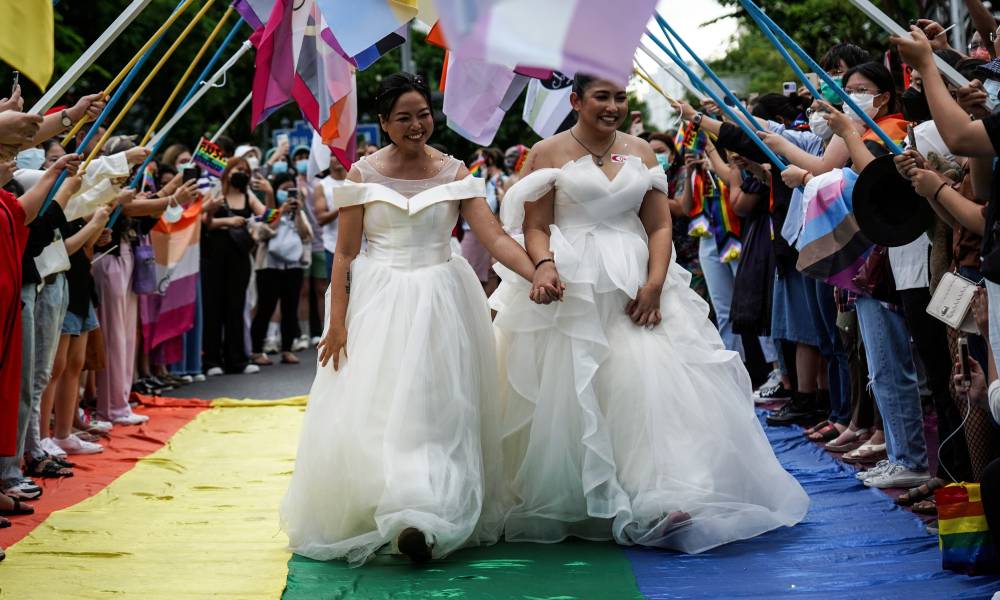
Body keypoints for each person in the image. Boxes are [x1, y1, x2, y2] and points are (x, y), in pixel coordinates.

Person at [489, 74, 808, 553]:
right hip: (574, 283)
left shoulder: (641, 151)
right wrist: (544, 265)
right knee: (575, 386)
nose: (613, 106)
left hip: (636, 279)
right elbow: (535, 226)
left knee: (647, 380)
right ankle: (582, 494)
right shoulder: (547, 152)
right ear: (576, 101)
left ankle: (659, 494)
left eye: (620, 97)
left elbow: (659, 224)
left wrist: (655, 283)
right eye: (602, 97)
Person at [280, 72, 558, 565]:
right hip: (379, 301)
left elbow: (492, 237)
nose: (416, 125)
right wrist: (337, 324)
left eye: (423, 114)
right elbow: (344, 256)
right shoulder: (361, 177)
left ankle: (426, 515)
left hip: (443, 298)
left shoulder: (455, 172)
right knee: (382, 406)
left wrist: (537, 268)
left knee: (440, 408)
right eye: (403, 117)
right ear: (384, 123)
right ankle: (393, 505)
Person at [201, 157, 267, 376]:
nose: (242, 173)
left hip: (239, 257)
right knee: (213, 308)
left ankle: (237, 360)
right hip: (214, 255)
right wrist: (223, 220)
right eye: (238, 169)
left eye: (246, 170)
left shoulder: (248, 195)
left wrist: (269, 193)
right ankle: (212, 360)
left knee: (236, 307)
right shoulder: (215, 192)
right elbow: (203, 222)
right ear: (227, 171)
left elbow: (269, 216)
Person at [250, 171, 312, 366]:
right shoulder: (269, 209)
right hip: (269, 266)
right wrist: (281, 212)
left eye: (290, 189)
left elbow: (306, 235)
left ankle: (287, 349)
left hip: (293, 266)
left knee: (290, 307)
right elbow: (263, 232)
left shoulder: (299, 212)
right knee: (266, 308)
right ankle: (256, 349)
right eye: (283, 189)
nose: (287, 193)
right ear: (275, 191)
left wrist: (298, 213)